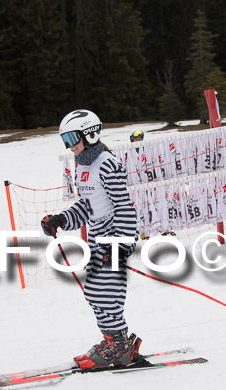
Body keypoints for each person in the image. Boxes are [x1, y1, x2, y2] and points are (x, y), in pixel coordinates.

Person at [41, 109, 141, 369]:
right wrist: (61, 220)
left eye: (73, 137)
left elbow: (124, 207)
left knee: (106, 294)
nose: (69, 145)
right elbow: (88, 206)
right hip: (98, 237)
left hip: (114, 237)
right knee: (95, 294)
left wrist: (120, 245)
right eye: (65, 139)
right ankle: (113, 341)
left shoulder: (107, 164)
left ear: (90, 134)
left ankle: (119, 345)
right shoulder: (83, 165)